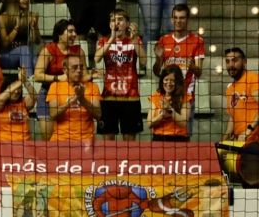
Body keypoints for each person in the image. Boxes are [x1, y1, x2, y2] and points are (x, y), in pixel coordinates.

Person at [152, 3, 203, 136]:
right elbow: (157, 72)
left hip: (186, 96)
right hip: (166, 95)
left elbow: (199, 72)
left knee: (185, 133)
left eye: (182, 18)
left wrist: (192, 67)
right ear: (171, 19)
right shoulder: (164, 40)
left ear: (188, 19)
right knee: (163, 132)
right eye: (175, 18)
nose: (178, 21)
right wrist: (158, 59)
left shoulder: (197, 41)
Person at [95, 8, 144, 143]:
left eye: (120, 20)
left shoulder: (135, 40)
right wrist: (111, 38)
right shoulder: (104, 41)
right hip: (109, 97)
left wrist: (134, 40)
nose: (116, 23)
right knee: (108, 140)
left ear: (127, 24)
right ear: (110, 25)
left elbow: (144, 62)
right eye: (113, 20)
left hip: (131, 97)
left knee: (129, 142)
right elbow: (97, 58)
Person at [33, 19, 84, 141]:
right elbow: (37, 75)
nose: (74, 34)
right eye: (70, 31)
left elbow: (85, 74)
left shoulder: (79, 51)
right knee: (48, 139)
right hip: (48, 94)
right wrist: (57, 78)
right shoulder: (49, 50)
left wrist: (92, 75)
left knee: (70, 137)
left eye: (75, 31)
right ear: (60, 35)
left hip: (70, 94)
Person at [47, 53, 101, 143]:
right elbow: (53, 114)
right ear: (65, 70)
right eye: (75, 67)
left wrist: (82, 99)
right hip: (60, 140)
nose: (79, 70)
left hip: (86, 141)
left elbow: (98, 115)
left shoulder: (93, 87)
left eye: (81, 67)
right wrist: (72, 101)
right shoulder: (55, 86)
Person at [0, 0, 38, 72]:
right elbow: (5, 44)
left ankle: (41, 84)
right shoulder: (3, 17)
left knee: (36, 62)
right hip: (6, 56)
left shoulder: (30, 16)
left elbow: (36, 41)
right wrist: (16, 28)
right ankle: (28, 84)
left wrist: (34, 28)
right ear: (14, 0)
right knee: (24, 49)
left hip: (25, 56)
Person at [223, 48, 259, 141]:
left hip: (254, 139)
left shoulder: (253, 79)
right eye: (227, 61)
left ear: (244, 61)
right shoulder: (230, 89)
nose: (230, 65)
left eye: (234, 60)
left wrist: (249, 131)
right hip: (239, 141)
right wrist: (225, 137)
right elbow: (232, 117)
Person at [148, 64, 189, 142]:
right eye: (166, 79)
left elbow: (183, 123)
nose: (169, 83)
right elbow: (149, 124)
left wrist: (170, 110)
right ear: (162, 80)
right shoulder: (156, 96)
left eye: (172, 80)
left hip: (178, 139)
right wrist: (161, 115)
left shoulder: (184, 97)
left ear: (177, 82)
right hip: (159, 138)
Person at [0, 68, 35, 141]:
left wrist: (25, 81)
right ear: (6, 89)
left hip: (24, 144)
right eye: (14, 89)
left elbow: (34, 96)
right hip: (3, 144)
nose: (16, 92)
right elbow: (1, 99)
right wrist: (20, 81)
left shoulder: (24, 103)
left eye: (19, 88)